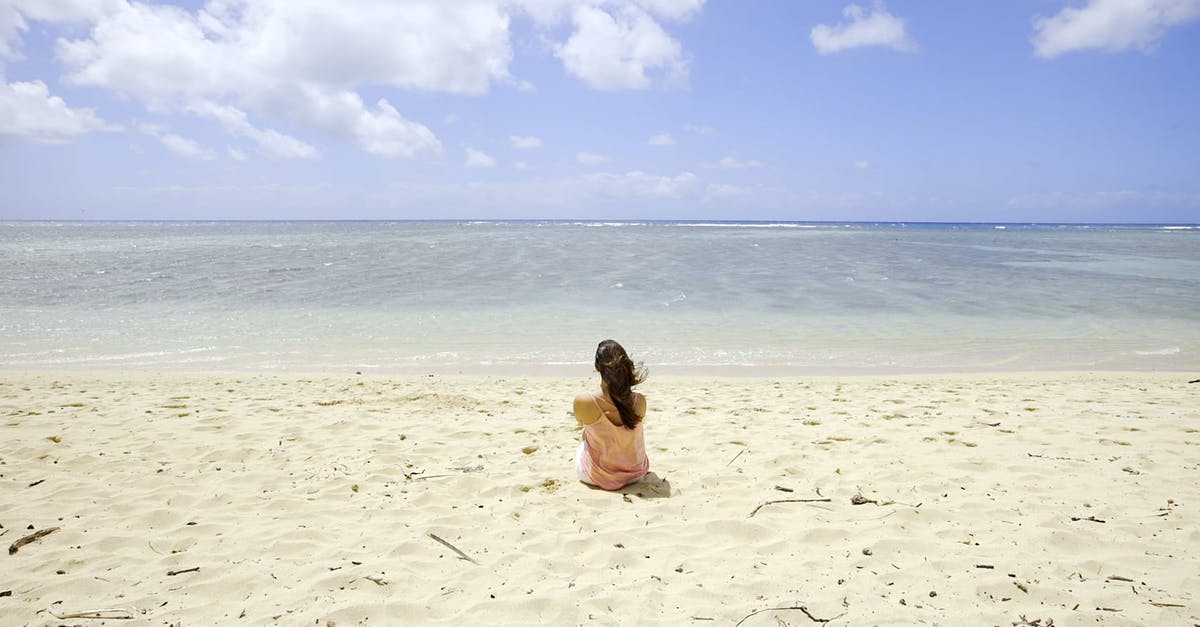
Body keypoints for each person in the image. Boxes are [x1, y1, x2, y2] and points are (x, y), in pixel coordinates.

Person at [573, 339, 649, 490]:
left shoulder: (585, 401)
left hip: (595, 477)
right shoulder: (639, 400)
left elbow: (581, 424)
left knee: (584, 438)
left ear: (597, 367)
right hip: (636, 475)